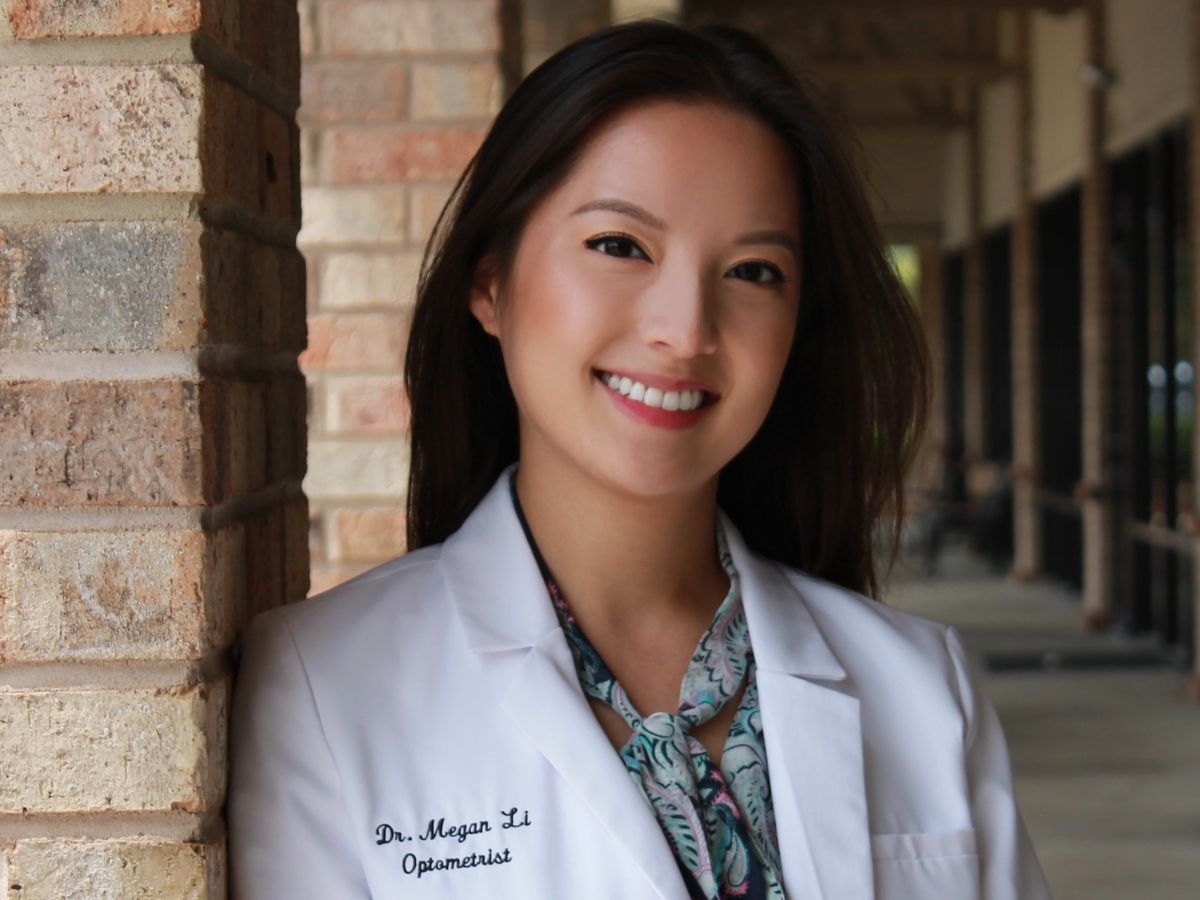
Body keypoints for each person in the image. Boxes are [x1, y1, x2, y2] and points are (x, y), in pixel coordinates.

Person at [229, 19, 1052, 900]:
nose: (686, 330)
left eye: (753, 271)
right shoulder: (324, 687)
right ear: (490, 280)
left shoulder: (926, 690)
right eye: (620, 247)